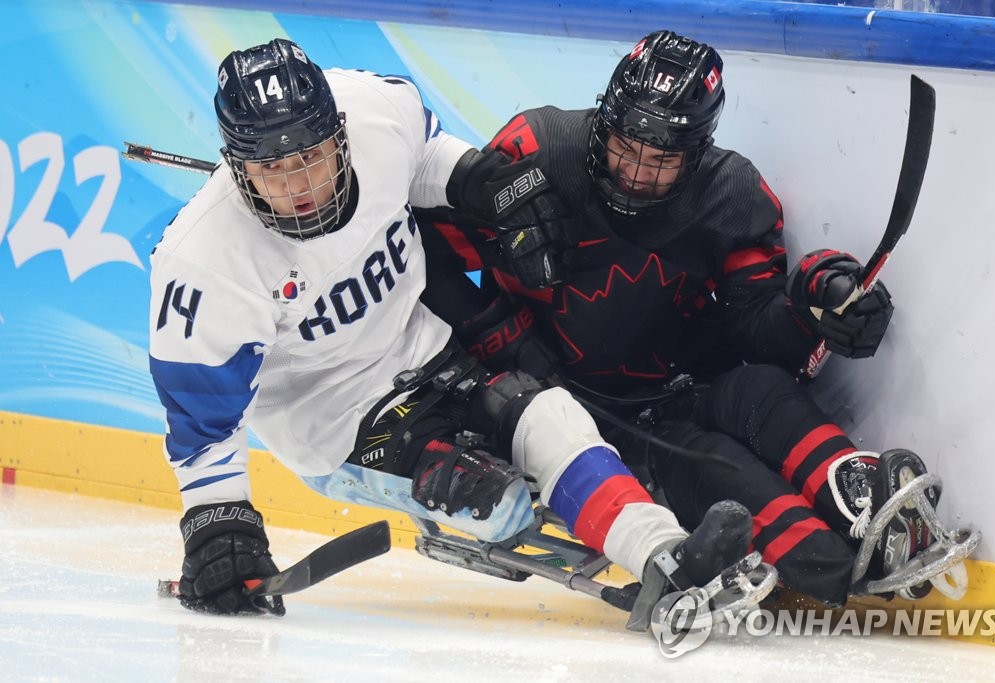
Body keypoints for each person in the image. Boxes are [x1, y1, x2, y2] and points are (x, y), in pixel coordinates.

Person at [147, 37, 756, 621]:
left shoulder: (375, 114)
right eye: (275, 169)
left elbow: (425, 161)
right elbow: (204, 422)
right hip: (332, 419)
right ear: (237, 167)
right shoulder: (204, 265)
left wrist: (482, 181)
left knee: (546, 413)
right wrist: (216, 525)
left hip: (425, 348)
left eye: (312, 156)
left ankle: (664, 556)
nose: (302, 186)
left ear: (340, 134)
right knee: (491, 497)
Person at [418, 30, 977, 607]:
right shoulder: (536, 150)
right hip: (571, 419)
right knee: (772, 517)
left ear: (698, 151)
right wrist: (498, 337)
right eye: (625, 147)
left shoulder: (731, 194)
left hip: (680, 393)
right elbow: (422, 248)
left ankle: (859, 493)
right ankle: (827, 557)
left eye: (660, 160)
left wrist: (821, 301)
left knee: (762, 388)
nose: (635, 172)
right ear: (603, 120)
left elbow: (763, 339)